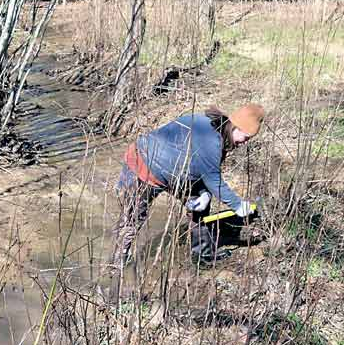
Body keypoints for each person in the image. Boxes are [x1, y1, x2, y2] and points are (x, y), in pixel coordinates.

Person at [111, 103, 265, 268]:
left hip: (175, 170)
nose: (245, 143)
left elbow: (204, 170)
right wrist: (237, 205)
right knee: (133, 217)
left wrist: (204, 194)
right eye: (246, 138)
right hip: (143, 163)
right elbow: (213, 178)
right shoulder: (211, 141)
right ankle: (118, 260)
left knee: (199, 206)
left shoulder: (217, 130)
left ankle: (202, 256)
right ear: (235, 126)